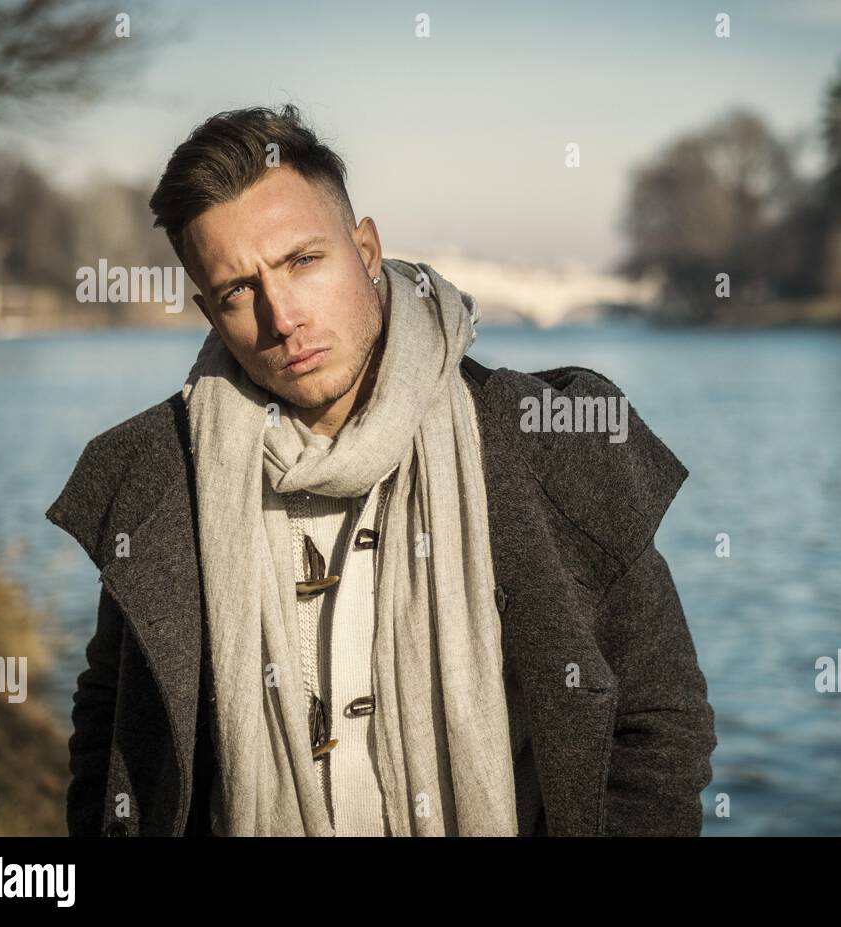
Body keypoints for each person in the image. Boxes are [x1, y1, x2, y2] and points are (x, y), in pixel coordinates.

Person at [47, 104, 716, 837]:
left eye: (304, 262)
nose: (283, 318)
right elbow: (110, 726)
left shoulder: (545, 443)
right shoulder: (162, 477)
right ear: (209, 311)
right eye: (240, 291)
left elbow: (658, 718)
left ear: (365, 249)